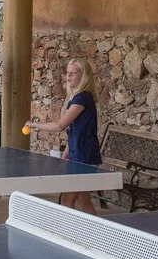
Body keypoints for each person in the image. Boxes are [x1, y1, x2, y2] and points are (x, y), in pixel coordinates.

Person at [28, 57, 102, 215]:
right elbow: (74, 131)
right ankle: (96, 232)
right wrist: (66, 153)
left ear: (84, 76)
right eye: (67, 73)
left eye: (73, 73)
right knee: (83, 198)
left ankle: (69, 234)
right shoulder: (75, 99)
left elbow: (60, 125)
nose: (68, 76)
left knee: (67, 199)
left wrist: (34, 124)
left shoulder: (82, 99)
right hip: (78, 154)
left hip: (84, 156)